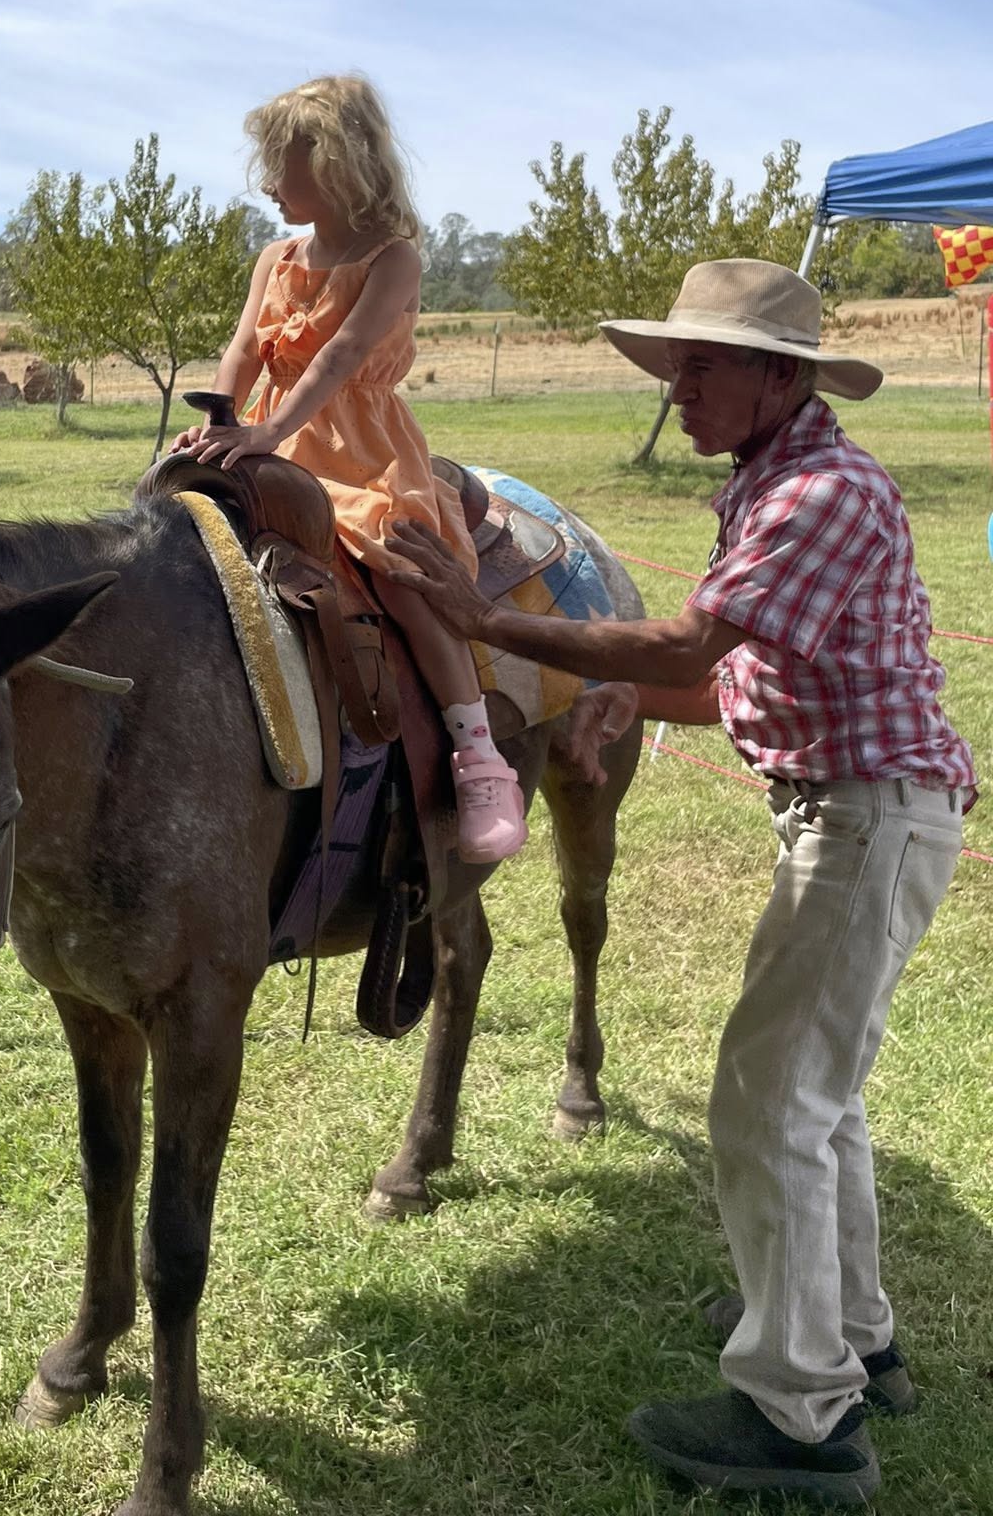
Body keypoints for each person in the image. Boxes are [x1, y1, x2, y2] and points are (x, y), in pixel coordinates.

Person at [386, 257, 975, 1506]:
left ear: (780, 375)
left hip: (866, 821)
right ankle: (850, 1337)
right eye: (675, 363)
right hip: (863, 816)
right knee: (821, 1097)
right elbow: (722, 682)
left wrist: (484, 623)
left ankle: (801, 1419)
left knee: (767, 1103)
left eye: (702, 364)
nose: (679, 387)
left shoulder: (819, 492)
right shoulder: (774, 486)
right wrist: (615, 694)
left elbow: (690, 641)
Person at [170, 73, 527, 863]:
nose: (268, 183)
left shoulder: (392, 259)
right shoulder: (275, 256)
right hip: (267, 433)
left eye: (283, 164)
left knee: (400, 568)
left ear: (336, 164)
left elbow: (341, 358)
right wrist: (218, 423)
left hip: (360, 450)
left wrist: (270, 435)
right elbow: (239, 349)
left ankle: (477, 754)